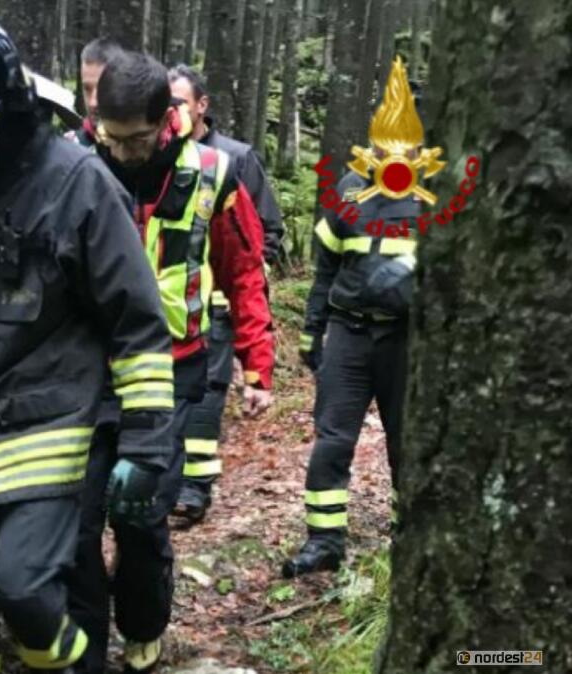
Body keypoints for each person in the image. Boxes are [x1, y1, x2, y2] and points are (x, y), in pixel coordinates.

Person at [0, 14, 179, 674]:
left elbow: (137, 322)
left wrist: (145, 445)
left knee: (34, 589)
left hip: (52, 438)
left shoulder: (75, 183)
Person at [73, 51, 275, 673]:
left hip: (171, 368)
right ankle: (83, 646)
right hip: (82, 370)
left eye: (138, 140)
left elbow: (244, 271)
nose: (126, 152)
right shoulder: (72, 163)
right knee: (75, 520)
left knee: (139, 516)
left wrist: (256, 363)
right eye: (113, 137)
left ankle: (142, 629)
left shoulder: (214, 173)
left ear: (167, 119)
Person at [283, 58, 423, 578]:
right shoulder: (346, 189)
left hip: (404, 340)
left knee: (405, 442)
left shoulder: (432, 196)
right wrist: (310, 334)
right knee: (332, 440)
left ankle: (411, 538)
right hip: (347, 332)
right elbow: (324, 270)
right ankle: (324, 541)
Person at [167, 63, 286, 522]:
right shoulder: (151, 158)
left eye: (179, 102)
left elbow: (266, 231)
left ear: (201, 105)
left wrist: (237, 281)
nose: (171, 112)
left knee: (208, 394)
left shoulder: (234, 159)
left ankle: (195, 488)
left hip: (215, 306)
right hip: (168, 310)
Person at [71, 37, 125, 147]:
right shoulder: (70, 149)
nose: (93, 103)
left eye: (103, 89)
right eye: (87, 89)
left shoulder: (148, 145)